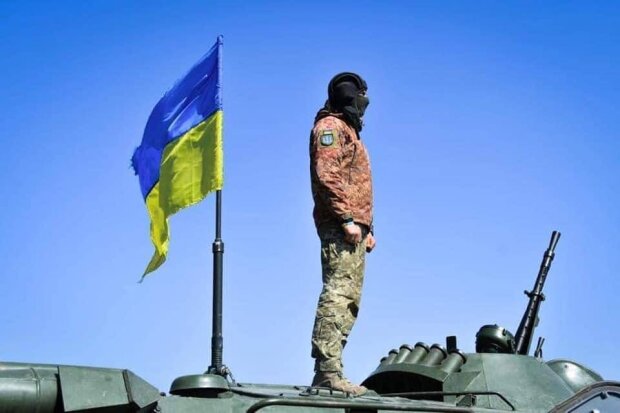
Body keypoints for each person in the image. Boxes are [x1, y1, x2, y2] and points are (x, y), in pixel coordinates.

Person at [309, 72, 376, 396]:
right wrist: (347, 219)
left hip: (354, 228)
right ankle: (327, 372)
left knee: (349, 299)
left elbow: (355, 182)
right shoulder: (331, 128)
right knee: (338, 293)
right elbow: (328, 176)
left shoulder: (349, 131)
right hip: (341, 226)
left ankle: (332, 369)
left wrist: (367, 227)